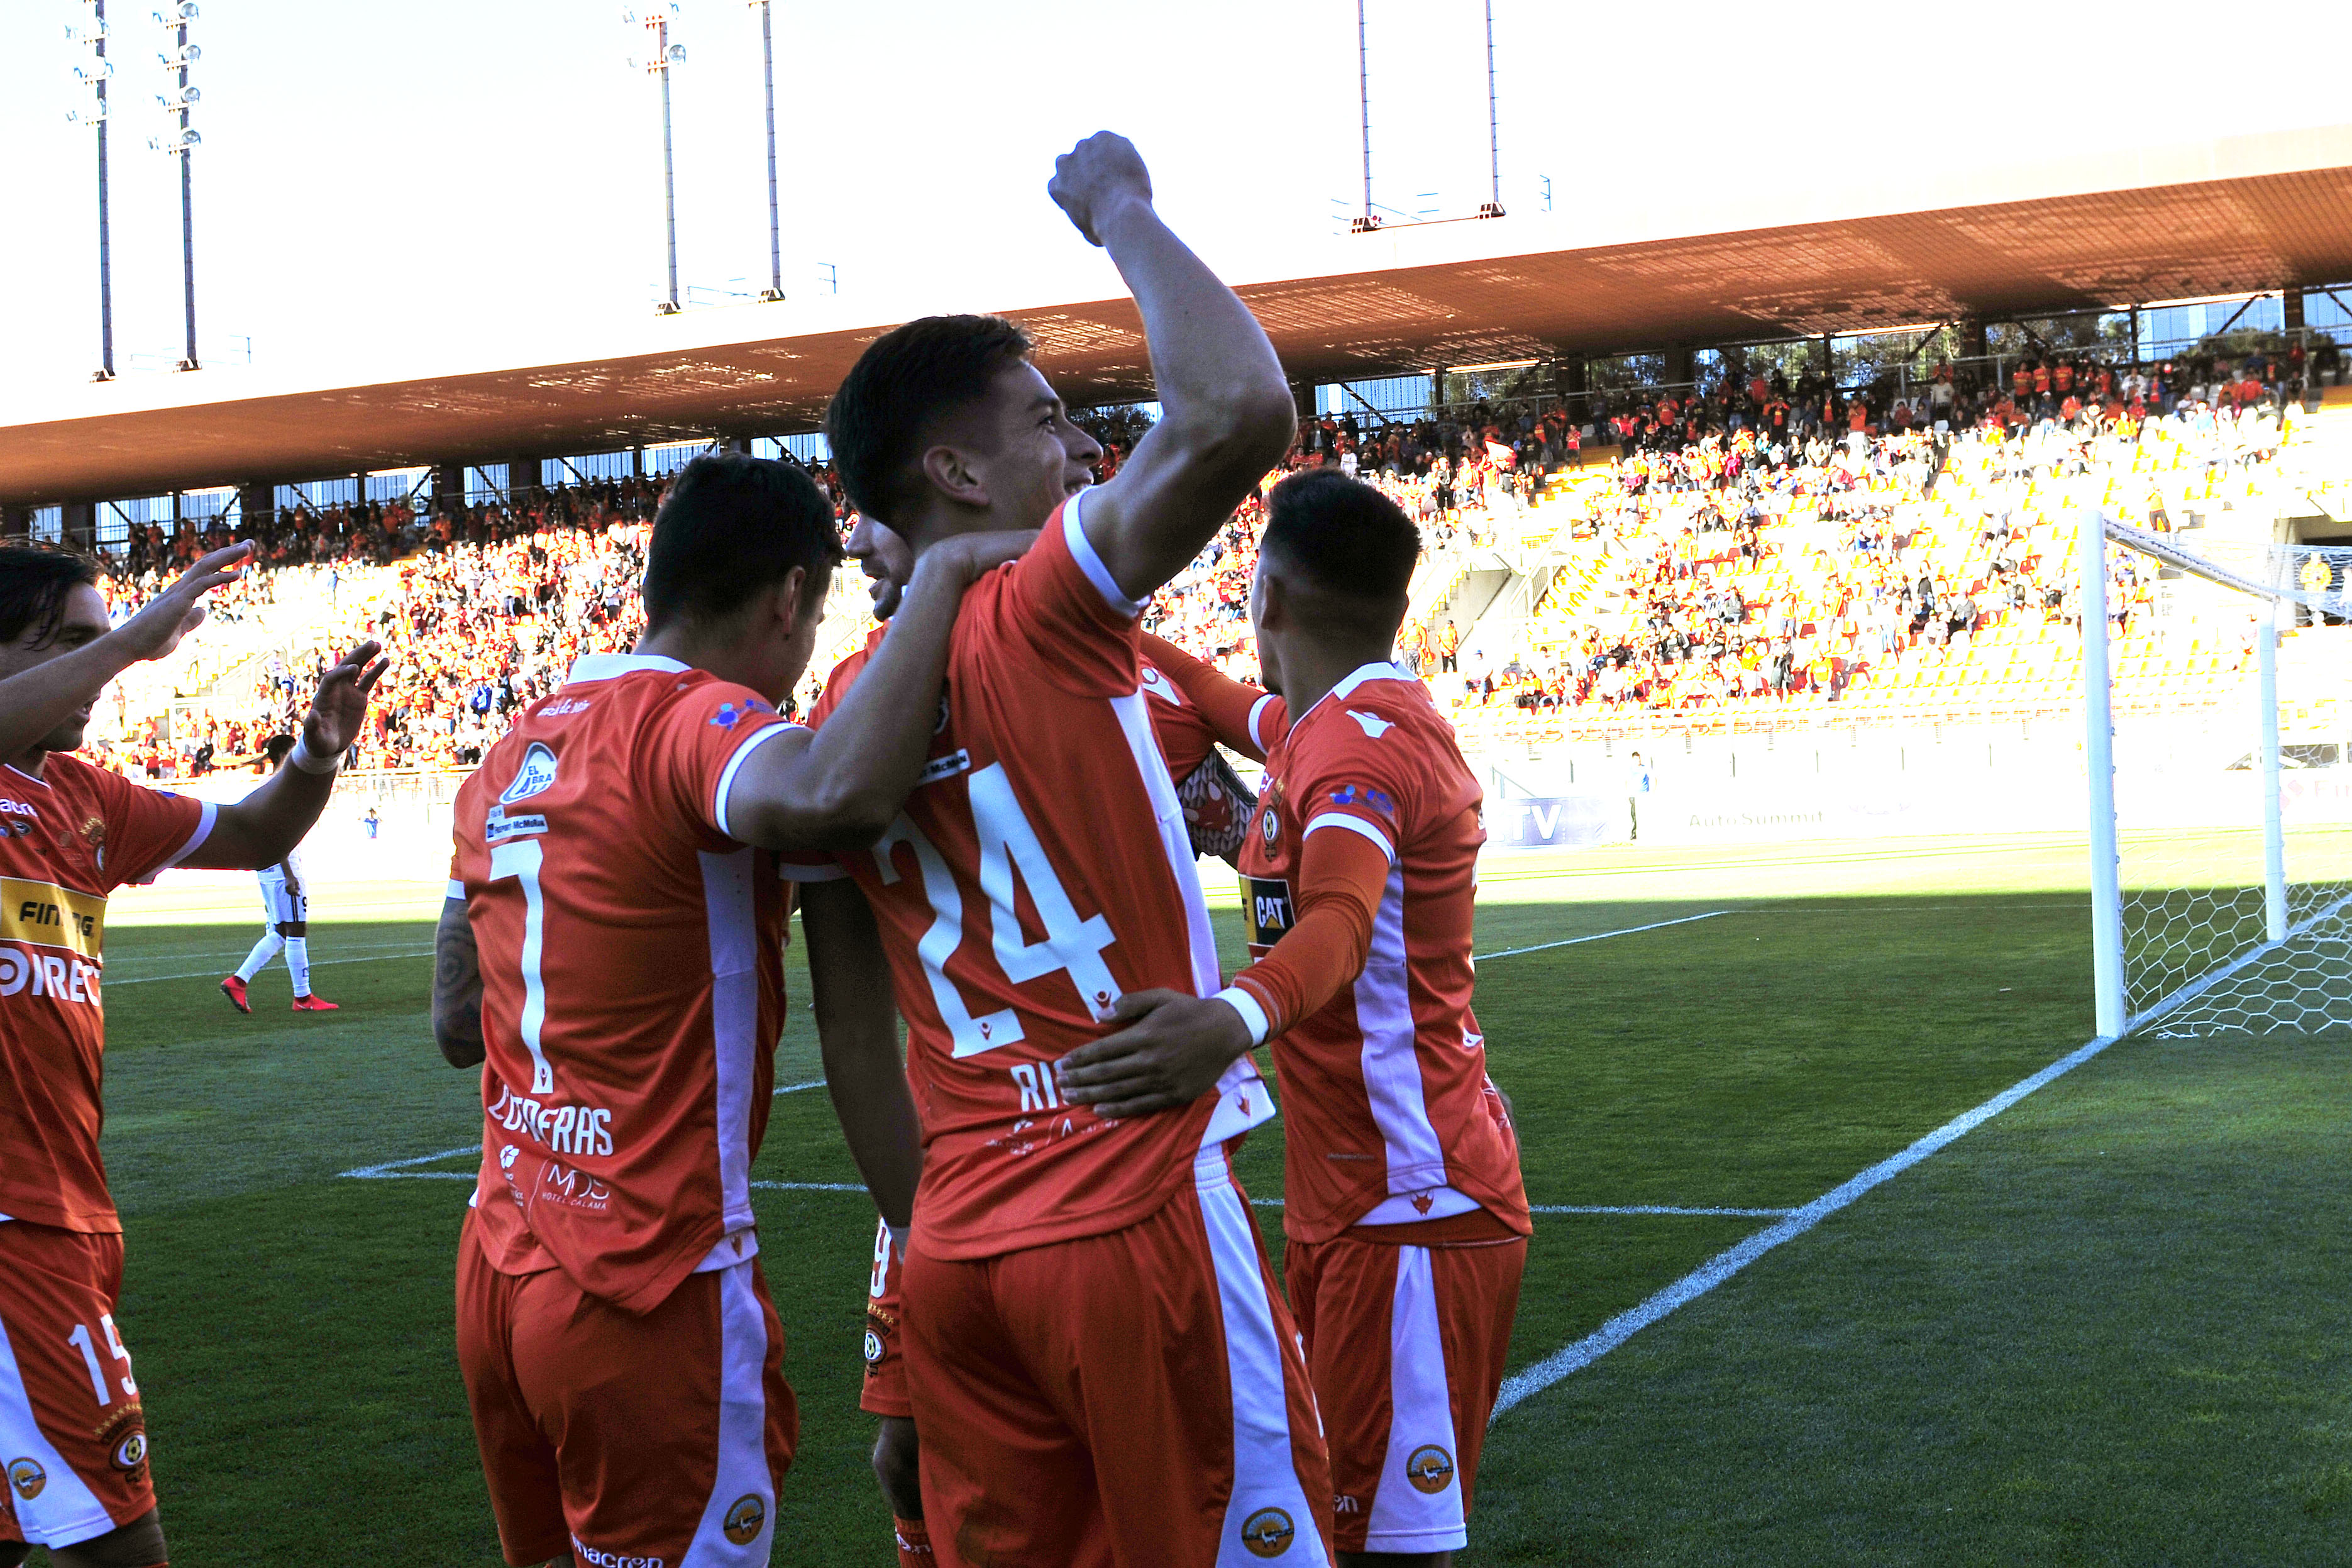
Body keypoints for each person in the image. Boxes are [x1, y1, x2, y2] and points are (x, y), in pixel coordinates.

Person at [795, 131, 1330, 1567]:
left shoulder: (837, 717)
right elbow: (1237, 405)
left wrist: (934, 1227)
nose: (1083, 448)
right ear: (954, 470)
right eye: (1045, 422)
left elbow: (850, 1036)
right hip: (1134, 1203)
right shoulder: (1042, 605)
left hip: (959, 1248)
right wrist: (1120, 209)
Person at [431, 453, 1028, 1568]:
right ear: (790, 596)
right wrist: (943, 583)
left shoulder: (510, 750)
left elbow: (456, 1022)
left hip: (501, 1261)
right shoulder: (699, 718)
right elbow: (832, 793)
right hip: (644, 1277)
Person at [1058, 470, 1530, 1568]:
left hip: (1410, 1204)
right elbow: (1219, 698)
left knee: (1385, 1547)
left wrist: (1227, 1019)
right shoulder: (1324, 725)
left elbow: (1337, 924)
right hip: (1356, 1201)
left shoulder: (1358, 747)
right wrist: (1091, 615)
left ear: (1265, 594)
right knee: (1329, 1515)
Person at [0, 542, 386, 1568]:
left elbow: (256, 831)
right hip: (15, 1230)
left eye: (98, 639)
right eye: (67, 641)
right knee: (121, 1543)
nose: (98, 666)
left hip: (68, 1204)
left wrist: (315, 755)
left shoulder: (85, 799)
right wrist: (132, 640)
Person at [219, 736, 338, 1015]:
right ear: (287, 754)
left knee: (279, 932)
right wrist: (289, 874)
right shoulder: (284, 788)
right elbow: (277, 834)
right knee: (295, 930)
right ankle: (303, 997)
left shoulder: (266, 785)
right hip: (283, 868)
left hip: (267, 868)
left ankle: (238, 981)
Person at [1627, 748, 1651, 841]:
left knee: (1645, 814)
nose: (1638, 760)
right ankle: (1634, 834)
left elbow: (1653, 778)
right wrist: (1627, 793)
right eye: (1636, 759)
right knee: (1634, 815)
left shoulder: (1645, 768)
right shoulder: (1630, 770)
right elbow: (1626, 782)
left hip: (1643, 794)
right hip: (1634, 796)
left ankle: (1646, 833)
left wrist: (1652, 791)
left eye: (1639, 758)